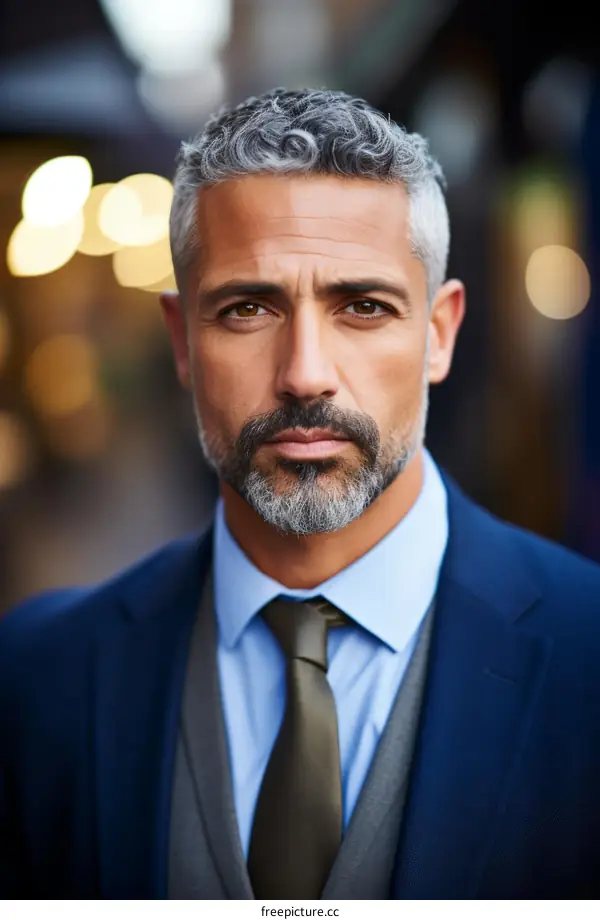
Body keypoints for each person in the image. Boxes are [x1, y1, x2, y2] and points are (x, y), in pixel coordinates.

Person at [2, 88, 600, 900]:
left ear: (439, 334)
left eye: (364, 307)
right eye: (248, 308)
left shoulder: (586, 655)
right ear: (182, 341)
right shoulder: (38, 681)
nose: (305, 374)